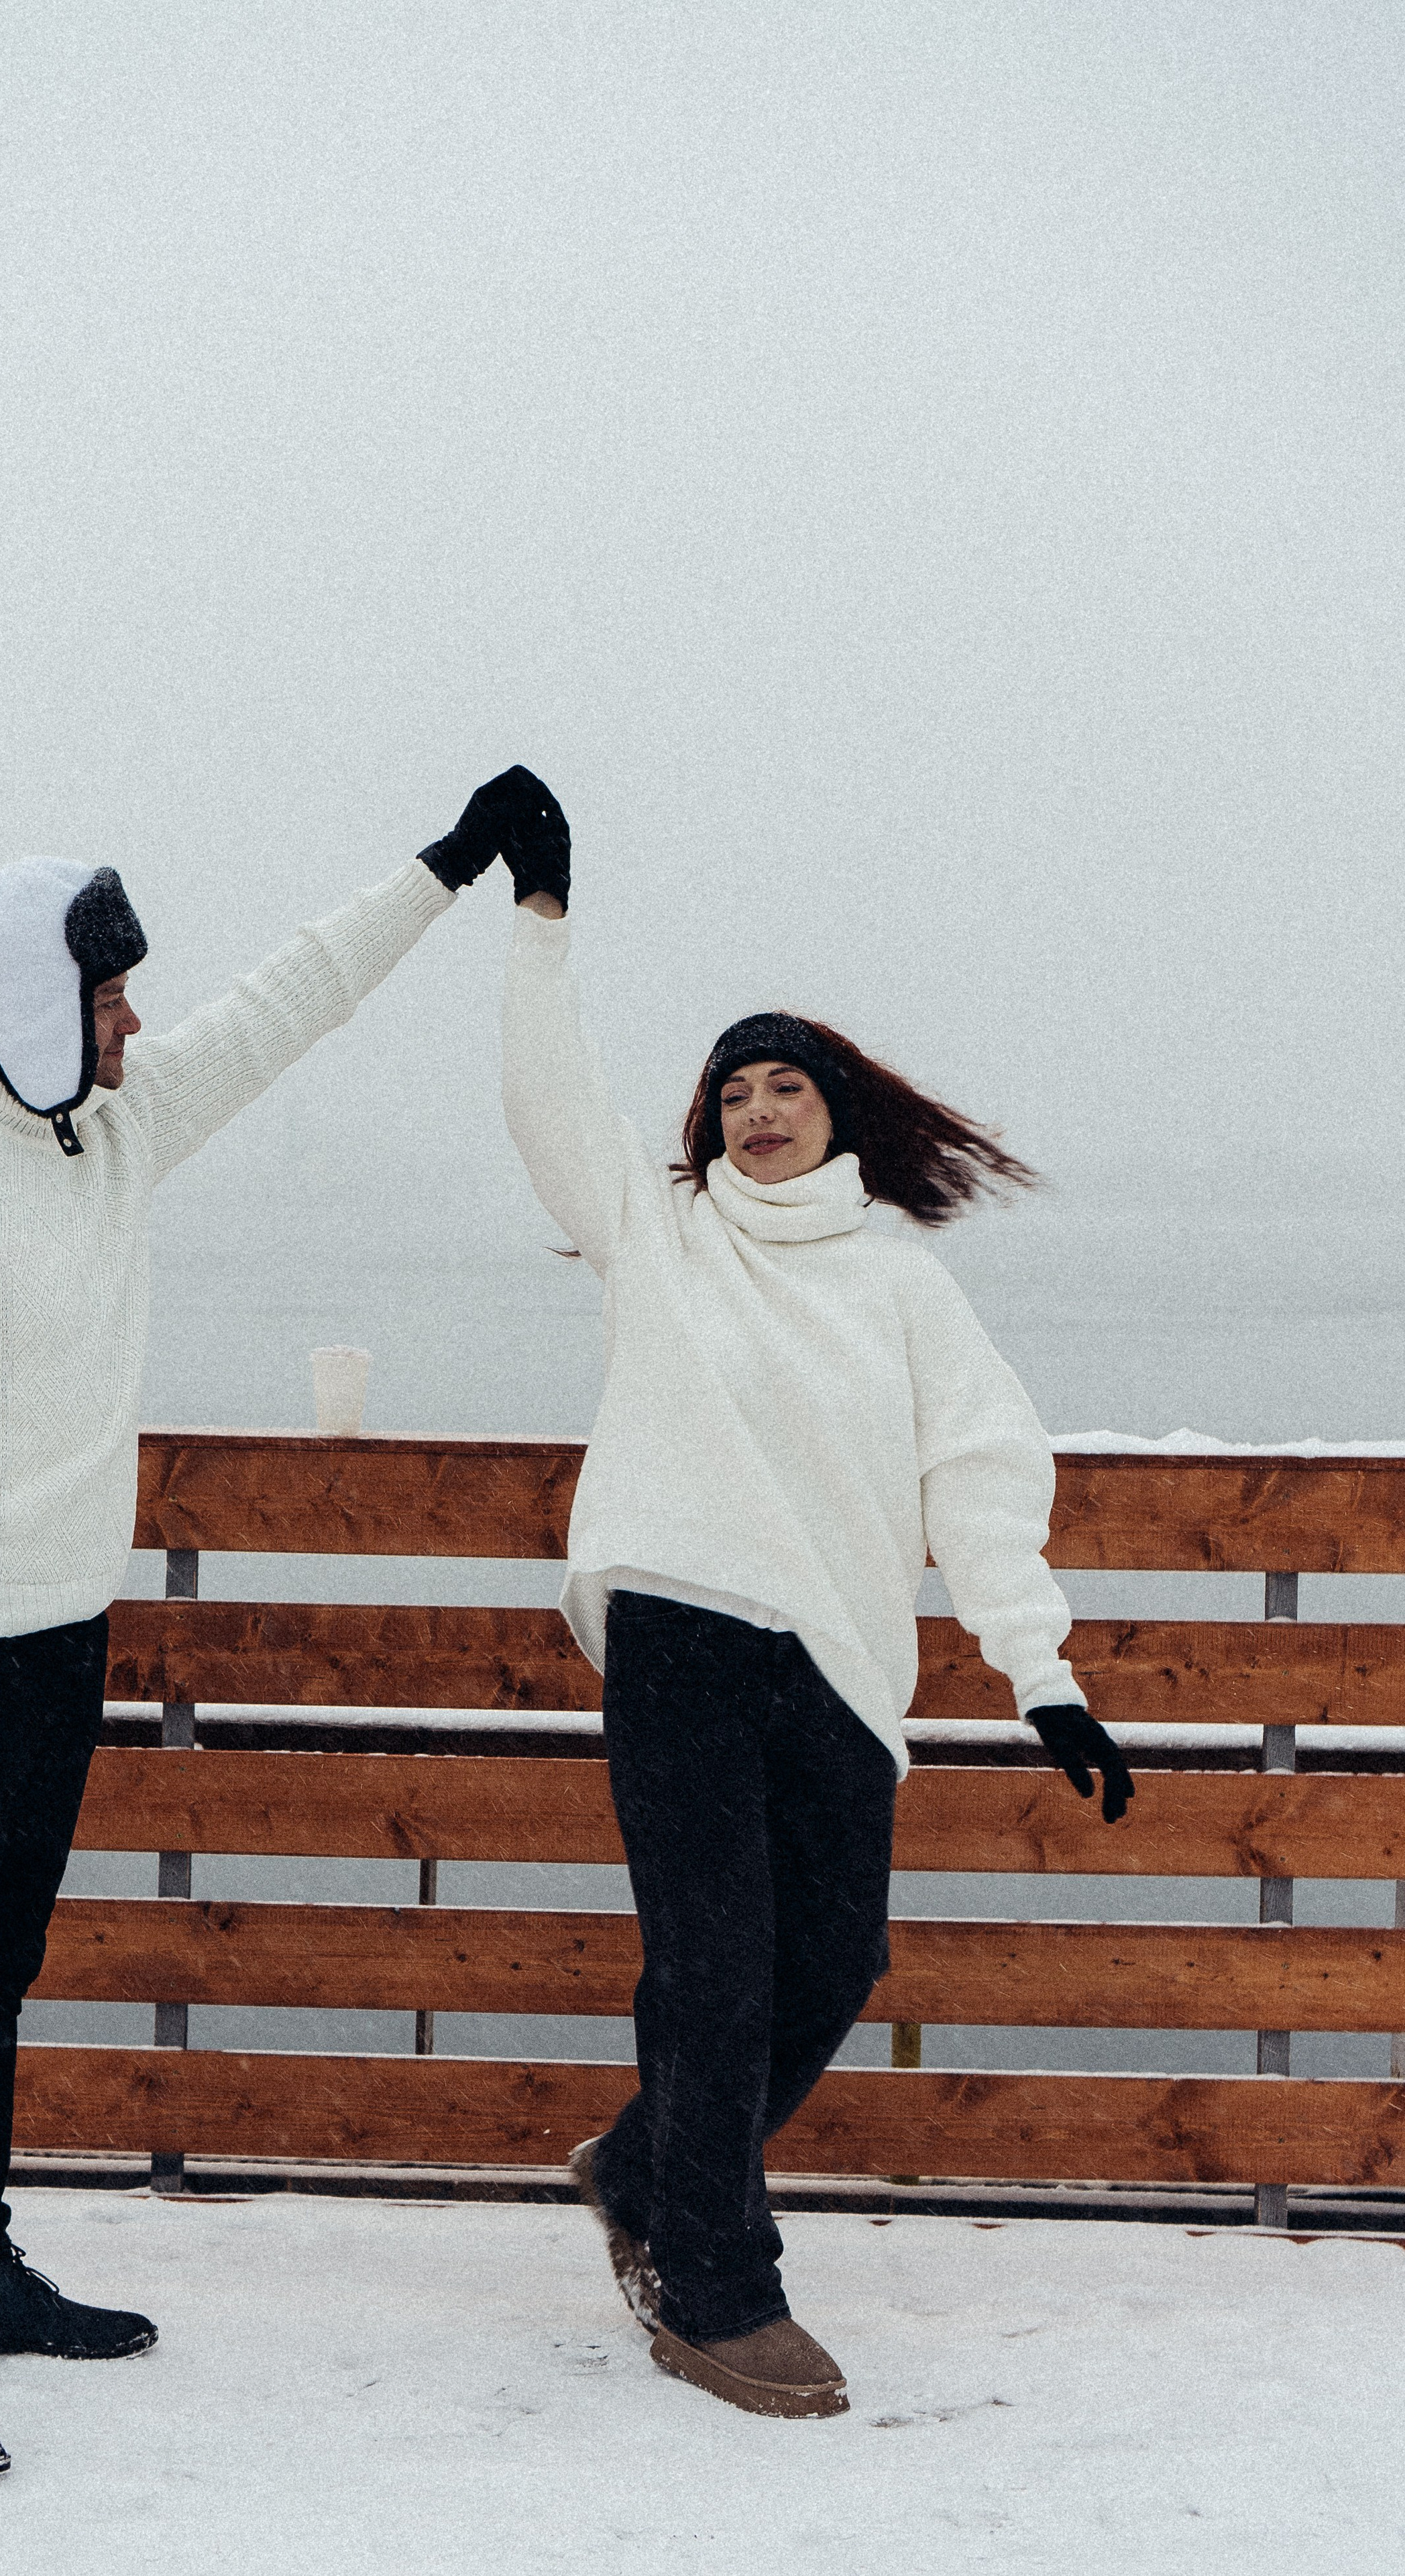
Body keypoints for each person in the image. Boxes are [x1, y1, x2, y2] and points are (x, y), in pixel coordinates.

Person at [0, 766, 561, 2481]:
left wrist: (441, 866)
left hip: (63, 1632)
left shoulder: (114, 1136)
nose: (136, 1019)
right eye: (106, 992)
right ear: (28, 1007)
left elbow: (285, 1001)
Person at [496, 810, 1134, 2422]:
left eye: (784, 1086)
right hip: (680, 1633)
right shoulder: (662, 1236)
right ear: (702, 1125)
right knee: (711, 1967)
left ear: (835, 1109)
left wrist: (1036, 1671)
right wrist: (542, 918)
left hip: (838, 1664)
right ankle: (712, 2284)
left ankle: (641, 2164)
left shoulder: (897, 1278)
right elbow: (543, 1093)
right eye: (731, 1089)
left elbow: (977, 1469)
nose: (756, 1111)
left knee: (829, 1960)